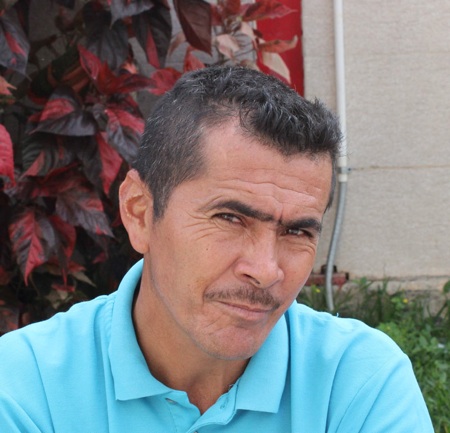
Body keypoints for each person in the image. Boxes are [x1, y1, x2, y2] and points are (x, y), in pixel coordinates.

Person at [0, 66, 433, 433]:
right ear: (139, 212)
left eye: (297, 232)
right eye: (230, 218)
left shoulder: (358, 382)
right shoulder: (25, 387)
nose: (266, 270)